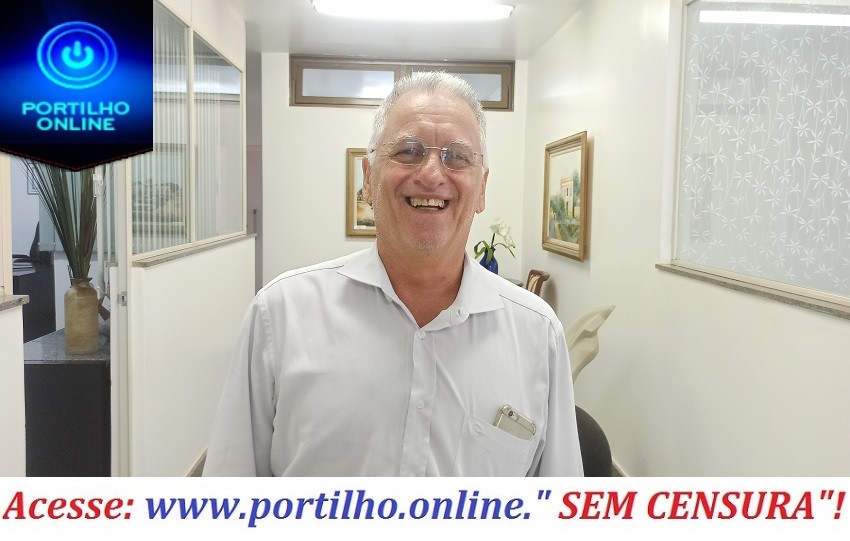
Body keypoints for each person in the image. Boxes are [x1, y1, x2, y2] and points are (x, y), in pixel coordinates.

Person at [203, 72, 583, 477]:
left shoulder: (538, 335)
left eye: (457, 156)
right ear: (368, 178)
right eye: (408, 151)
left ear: (482, 187)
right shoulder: (279, 317)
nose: (432, 174)